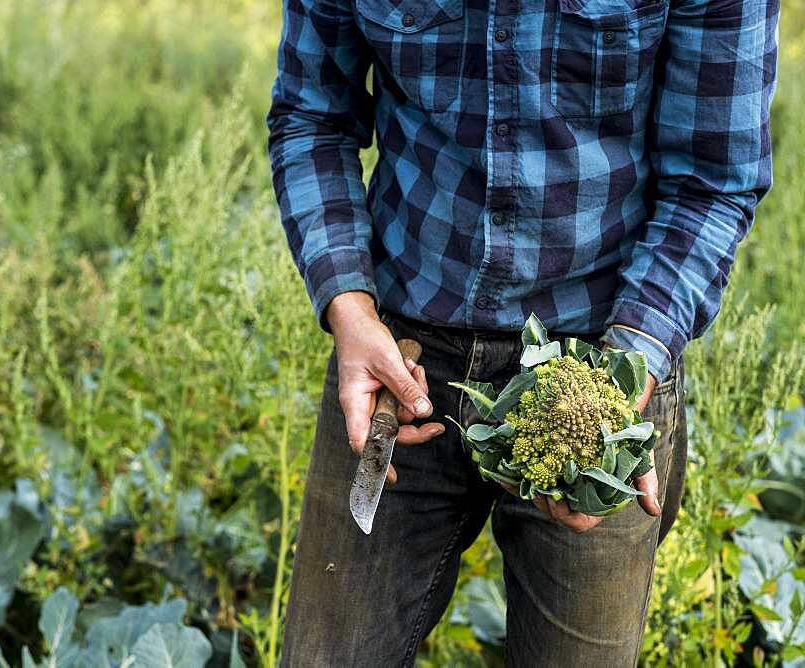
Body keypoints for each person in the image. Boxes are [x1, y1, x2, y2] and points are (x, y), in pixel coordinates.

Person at [265, 0, 778, 665]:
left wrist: (615, 389)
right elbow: (312, 114)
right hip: (399, 370)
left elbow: (713, 179)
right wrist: (350, 309)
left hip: (603, 365)